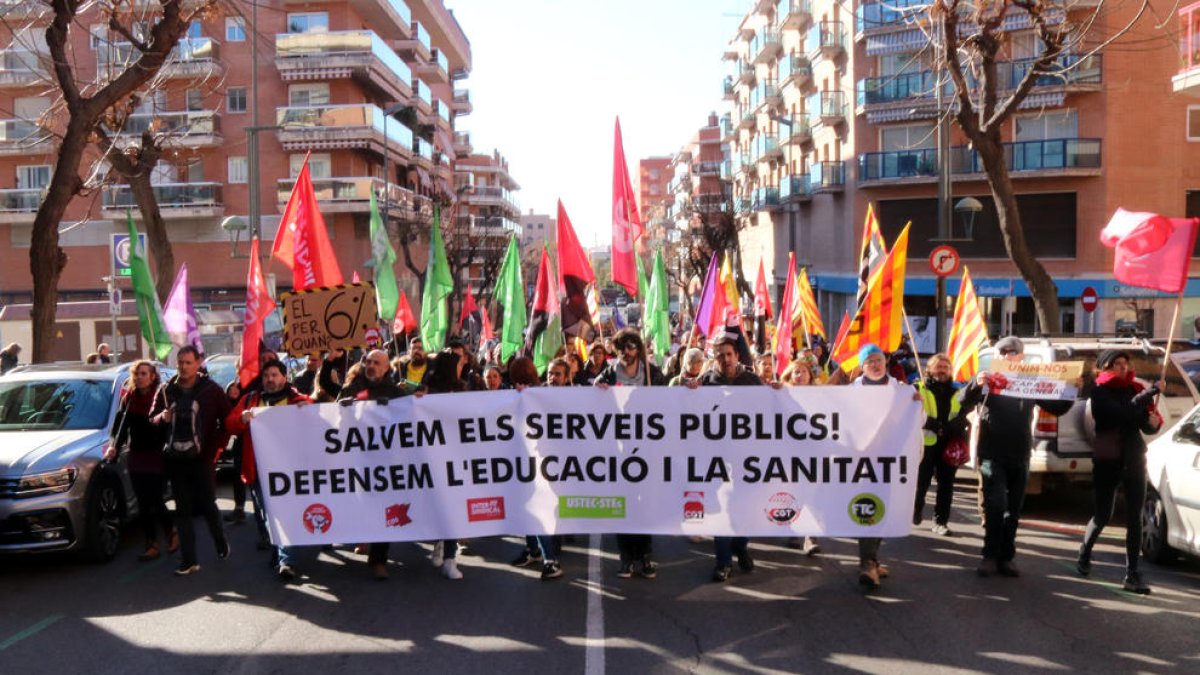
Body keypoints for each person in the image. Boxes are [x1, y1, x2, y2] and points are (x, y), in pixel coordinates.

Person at [957, 336, 1073, 578]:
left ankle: (1006, 557)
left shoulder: (1030, 381)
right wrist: (976, 385)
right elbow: (962, 402)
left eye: (1012, 353)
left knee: (1013, 509)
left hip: (1020, 453)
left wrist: (1075, 388)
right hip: (992, 454)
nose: (1008, 356)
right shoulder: (988, 379)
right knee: (995, 505)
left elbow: (1057, 407)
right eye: (1003, 353)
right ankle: (989, 556)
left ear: (1021, 357)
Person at [1076, 350, 1163, 594]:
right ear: (1104, 368)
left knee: (1134, 517)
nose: (1122, 368)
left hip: (1134, 457)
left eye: (1125, 363)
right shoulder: (1099, 391)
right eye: (1116, 364)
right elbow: (1120, 413)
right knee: (1103, 514)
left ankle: (1133, 574)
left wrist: (1152, 423)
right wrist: (1150, 393)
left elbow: (1143, 424)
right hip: (1108, 458)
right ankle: (1084, 553)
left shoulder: (1135, 389)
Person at [689, 333, 772, 581]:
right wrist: (690, 392)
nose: (725, 359)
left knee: (745, 506)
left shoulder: (752, 381)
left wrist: (777, 391)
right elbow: (690, 412)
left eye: (729, 354)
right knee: (723, 509)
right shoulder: (706, 380)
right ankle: (723, 561)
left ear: (737, 356)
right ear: (714, 358)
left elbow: (769, 410)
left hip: (747, 458)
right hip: (717, 458)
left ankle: (740, 544)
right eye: (720, 355)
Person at [226, 359, 313, 581]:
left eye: (275, 375)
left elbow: (318, 420)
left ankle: (287, 561)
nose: (270, 379)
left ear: (285, 377)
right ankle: (279, 554)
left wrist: (308, 410)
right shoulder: (250, 400)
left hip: (290, 472)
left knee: (285, 515)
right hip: (258, 470)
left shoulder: (298, 401)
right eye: (266, 376)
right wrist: (243, 419)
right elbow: (230, 424)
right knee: (267, 517)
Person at [149, 345, 232, 576]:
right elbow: (151, 419)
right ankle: (189, 560)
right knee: (182, 510)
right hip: (175, 459)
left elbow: (227, 420)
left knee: (207, 505)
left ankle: (220, 541)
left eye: (188, 362)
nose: (183, 367)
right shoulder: (167, 390)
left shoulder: (211, 390)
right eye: (180, 362)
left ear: (198, 363)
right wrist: (161, 418)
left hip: (202, 459)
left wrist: (217, 446)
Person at [594, 329, 665, 579]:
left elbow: (670, 400)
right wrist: (599, 388)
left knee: (644, 505)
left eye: (632, 346)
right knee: (623, 506)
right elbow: (590, 396)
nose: (627, 351)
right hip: (619, 452)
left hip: (646, 449)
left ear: (640, 349)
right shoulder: (611, 372)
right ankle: (626, 558)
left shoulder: (651, 372)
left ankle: (644, 556)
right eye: (623, 346)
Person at [337, 349, 411, 580]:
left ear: (386, 367)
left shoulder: (396, 393)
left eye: (376, 362)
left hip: (384, 462)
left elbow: (408, 420)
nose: (371, 365)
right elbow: (335, 414)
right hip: (356, 460)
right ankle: (363, 536)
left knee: (383, 508)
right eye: (368, 361)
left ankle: (378, 560)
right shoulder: (352, 387)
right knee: (359, 504)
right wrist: (344, 407)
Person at [850, 344, 918, 590]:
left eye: (879, 360)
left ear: (886, 362)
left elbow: (917, 421)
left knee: (881, 508)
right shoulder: (851, 391)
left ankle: (873, 559)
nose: (876, 365)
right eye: (870, 362)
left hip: (889, 461)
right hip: (861, 461)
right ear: (862, 367)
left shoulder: (900, 390)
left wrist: (916, 404)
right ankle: (867, 563)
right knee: (868, 505)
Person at [109, 360, 177, 562]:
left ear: (153, 376)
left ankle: (172, 532)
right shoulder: (129, 398)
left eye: (144, 373)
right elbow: (120, 427)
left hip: (157, 454)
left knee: (155, 499)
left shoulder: (162, 397)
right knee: (143, 503)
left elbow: (170, 429)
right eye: (137, 373)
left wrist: (167, 420)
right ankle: (152, 544)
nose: (139, 377)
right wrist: (115, 446)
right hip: (137, 455)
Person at [511, 357, 571, 580]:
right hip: (533, 461)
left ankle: (550, 557)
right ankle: (537, 552)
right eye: (550, 373)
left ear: (567, 377)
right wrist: (521, 394)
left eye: (558, 374)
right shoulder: (534, 393)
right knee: (531, 507)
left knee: (542, 510)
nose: (552, 378)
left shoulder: (576, 397)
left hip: (558, 464)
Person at [419, 350, 469, 580]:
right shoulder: (427, 390)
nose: (462, 369)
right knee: (442, 508)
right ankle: (442, 545)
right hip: (433, 458)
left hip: (457, 458)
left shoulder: (461, 388)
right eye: (458, 365)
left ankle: (449, 558)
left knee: (454, 509)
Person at [914, 353, 968, 537]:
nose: (942, 370)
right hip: (926, 444)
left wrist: (958, 425)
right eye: (938, 366)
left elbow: (963, 412)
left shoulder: (958, 392)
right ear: (929, 369)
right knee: (921, 483)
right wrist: (932, 424)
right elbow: (911, 414)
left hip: (949, 445)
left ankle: (940, 522)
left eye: (946, 367)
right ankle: (916, 509)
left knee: (946, 485)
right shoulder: (918, 388)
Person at [781, 357, 821, 555]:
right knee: (793, 492)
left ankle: (810, 538)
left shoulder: (820, 396)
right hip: (789, 453)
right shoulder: (782, 394)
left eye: (803, 371)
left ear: (810, 375)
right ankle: (792, 529)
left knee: (812, 494)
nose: (799, 375)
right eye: (795, 371)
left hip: (812, 453)